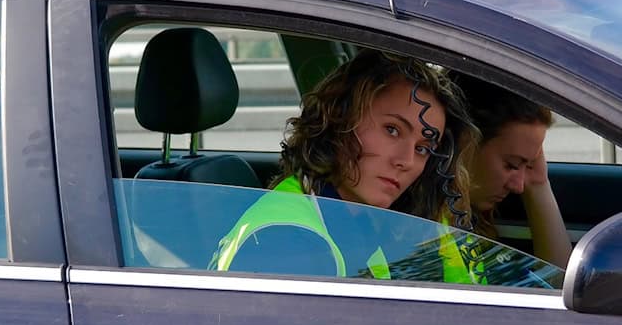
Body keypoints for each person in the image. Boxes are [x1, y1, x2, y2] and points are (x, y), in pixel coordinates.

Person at [210, 49, 480, 281]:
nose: (406, 161)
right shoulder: (290, 244)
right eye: (392, 130)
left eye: (423, 149)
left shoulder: (351, 219)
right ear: (339, 118)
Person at [451, 72, 572, 269]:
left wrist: (538, 184)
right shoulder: (420, 224)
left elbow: (560, 288)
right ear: (466, 140)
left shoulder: (466, 219)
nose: (518, 186)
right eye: (512, 165)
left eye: (529, 164)